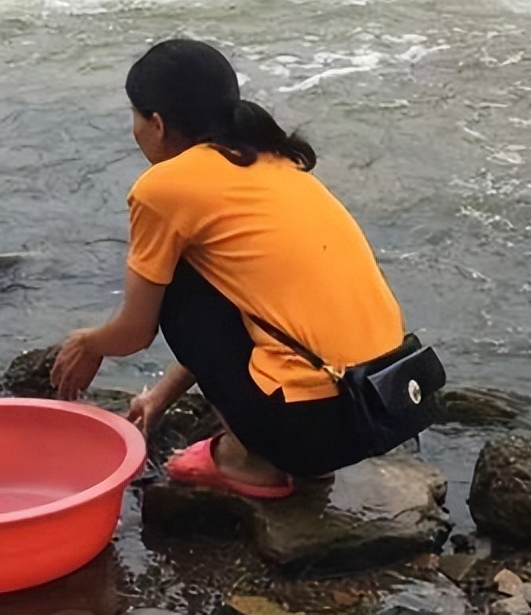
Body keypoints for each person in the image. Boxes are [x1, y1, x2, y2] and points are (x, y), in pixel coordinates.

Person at [50, 38, 409, 499]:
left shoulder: (164, 187)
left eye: (135, 115)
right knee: (207, 279)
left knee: (176, 285)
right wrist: (159, 398)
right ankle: (295, 460)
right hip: (383, 405)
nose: (134, 128)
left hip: (315, 427)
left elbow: (136, 332)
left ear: (157, 124)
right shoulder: (272, 160)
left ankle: (250, 460)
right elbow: (253, 312)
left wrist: (88, 342)